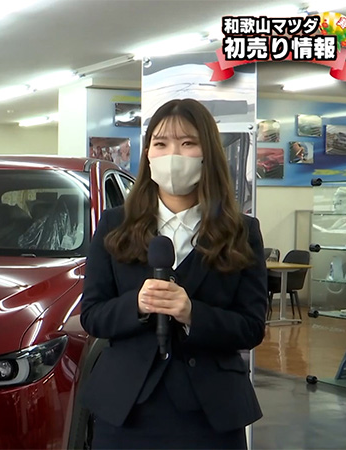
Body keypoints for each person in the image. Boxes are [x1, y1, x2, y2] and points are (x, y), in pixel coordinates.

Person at [80, 98, 268, 449]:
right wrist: (137, 305)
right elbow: (92, 315)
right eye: (161, 144)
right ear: (148, 154)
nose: (173, 155)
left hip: (211, 412)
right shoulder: (114, 225)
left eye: (187, 143)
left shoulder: (241, 232)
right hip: (126, 409)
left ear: (207, 153)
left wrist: (193, 313)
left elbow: (251, 327)